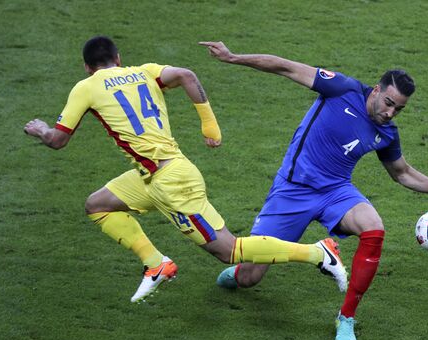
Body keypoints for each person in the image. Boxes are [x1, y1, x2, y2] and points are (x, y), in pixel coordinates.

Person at [23, 36, 348, 304]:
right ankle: (156, 264)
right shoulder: (144, 71)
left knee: (229, 250)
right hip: (151, 176)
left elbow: (57, 140)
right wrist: (210, 126)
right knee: (97, 204)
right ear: (118, 58)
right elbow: (187, 76)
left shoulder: (86, 87)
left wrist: (39, 130)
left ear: (87, 66)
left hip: (172, 182)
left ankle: (317, 253)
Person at [199, 41, 428, 340]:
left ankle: (346, 317)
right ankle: (240, 272)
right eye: (388, 103)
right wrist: (232, 58)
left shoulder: (387, 133)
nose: (390, 113)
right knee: (251, 278)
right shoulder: (341, 88)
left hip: (336, 190)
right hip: (293, 190)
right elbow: (286, 66)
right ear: (376, 89)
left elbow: (402, 173)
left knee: (374, 227)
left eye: (398, 109)